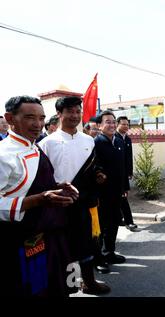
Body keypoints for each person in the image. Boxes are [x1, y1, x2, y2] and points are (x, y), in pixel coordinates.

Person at [0, 96, 79, 297]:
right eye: (29, 118)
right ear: (10, 118)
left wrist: (57, 187)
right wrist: (41, 198)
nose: (38, 124)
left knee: (56, 284)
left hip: (51, 232)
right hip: (22, 237)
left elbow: (36, 183)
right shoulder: (4, 154)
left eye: (41, 118)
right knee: (33, 287)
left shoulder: (33, 145)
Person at [39, 96, 110, 294]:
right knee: (63, 247)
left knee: (86, 244)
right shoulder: (47, 143)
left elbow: (94, 166)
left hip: (83, 202)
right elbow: (43, 177)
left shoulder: (89, 140)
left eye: (78, 111)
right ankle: (68, 285)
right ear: (59, 114)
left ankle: (89, 282)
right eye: (70, 111)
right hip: (58, 204)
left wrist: (99, 175)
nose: (75, 115)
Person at [94, 111, 128, 266]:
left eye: (114, 122)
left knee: (114, 223)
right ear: (100, 125)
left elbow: (123, 168)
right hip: (101, 194)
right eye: (108, 122)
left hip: (117, 192)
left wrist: (124, 188)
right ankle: (98, 258)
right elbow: (93, 168)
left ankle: (110, 252)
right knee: (100, 227)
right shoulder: (96, 143)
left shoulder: (119, 141)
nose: (112, 125)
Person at [115, 116, 139, 232]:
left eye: (127, 125)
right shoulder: (114, 138)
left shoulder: (128, 139)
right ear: (117, 124)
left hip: (125, 173)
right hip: (117, 174)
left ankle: (120, 219)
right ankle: (129, 221)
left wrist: (130, 171)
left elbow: (129, 157)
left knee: (122, 196)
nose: (126, 126)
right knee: (123, 197)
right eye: (123, 124)